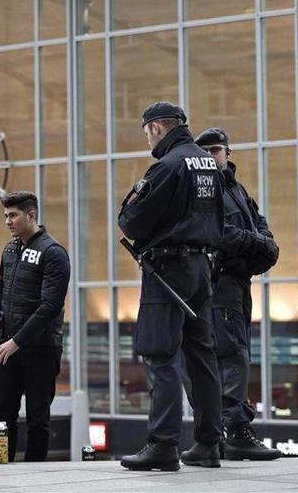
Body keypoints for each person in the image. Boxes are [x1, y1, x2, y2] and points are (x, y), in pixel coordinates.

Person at [118, 102, 224, 471]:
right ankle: (209, 444)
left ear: (158, 128)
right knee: (202, 355)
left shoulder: (168, 166)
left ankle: (162, 444)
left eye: (147, 131)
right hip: (201, 267)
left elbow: (131, 221)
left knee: (161, 355)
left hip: (168, 270)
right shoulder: (207, 163)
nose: (147, 138)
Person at [193, 127, 281, 461]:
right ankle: (235, 432)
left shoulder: (238, 191)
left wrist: (260, 244)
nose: (211, 156)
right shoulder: (201, 191)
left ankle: (225, 434)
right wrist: (257, 244)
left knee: (237, 354)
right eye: (204, 151)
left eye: (215, 149)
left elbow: (261, 228)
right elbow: (219, 233)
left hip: (237, 285)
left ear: (228, 153)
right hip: (218, 285)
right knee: (230, 356)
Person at [0, 192, 70, 463]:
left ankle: (33, 478)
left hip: (40, 348)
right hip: (6, 346)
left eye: (13, 215)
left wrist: (17, 342)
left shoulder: (53, 253)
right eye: (5, 216)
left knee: (38, 419)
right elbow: (1, 289)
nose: (8, 221)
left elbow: (50, 307)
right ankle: (2, 470)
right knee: (1, 417)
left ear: (31, 215)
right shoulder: (10, 249)